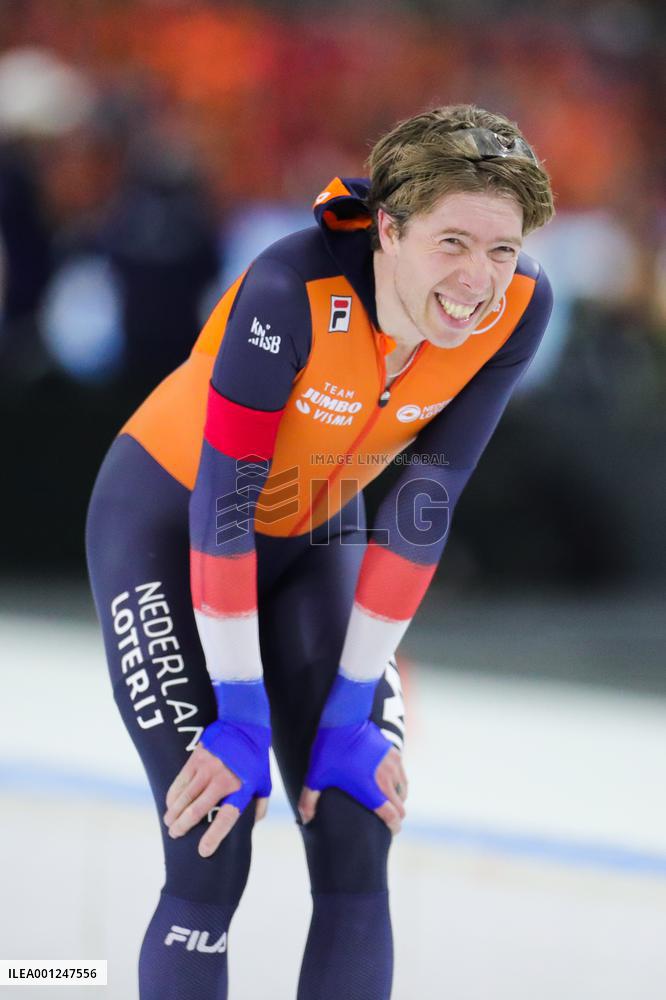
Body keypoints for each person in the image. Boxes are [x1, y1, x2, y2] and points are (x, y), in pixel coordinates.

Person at [86, 103, 554, 1000]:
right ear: (388, 227)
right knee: (214, 828)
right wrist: (238, 709)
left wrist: (349, 706)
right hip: (172, 522)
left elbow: (424, 503)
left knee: (354, 820)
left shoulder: (519, 309)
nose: (480, 283)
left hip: (318, 525)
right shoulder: (287, 292)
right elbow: (222, 512)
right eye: (452, 243)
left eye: (502, 250)